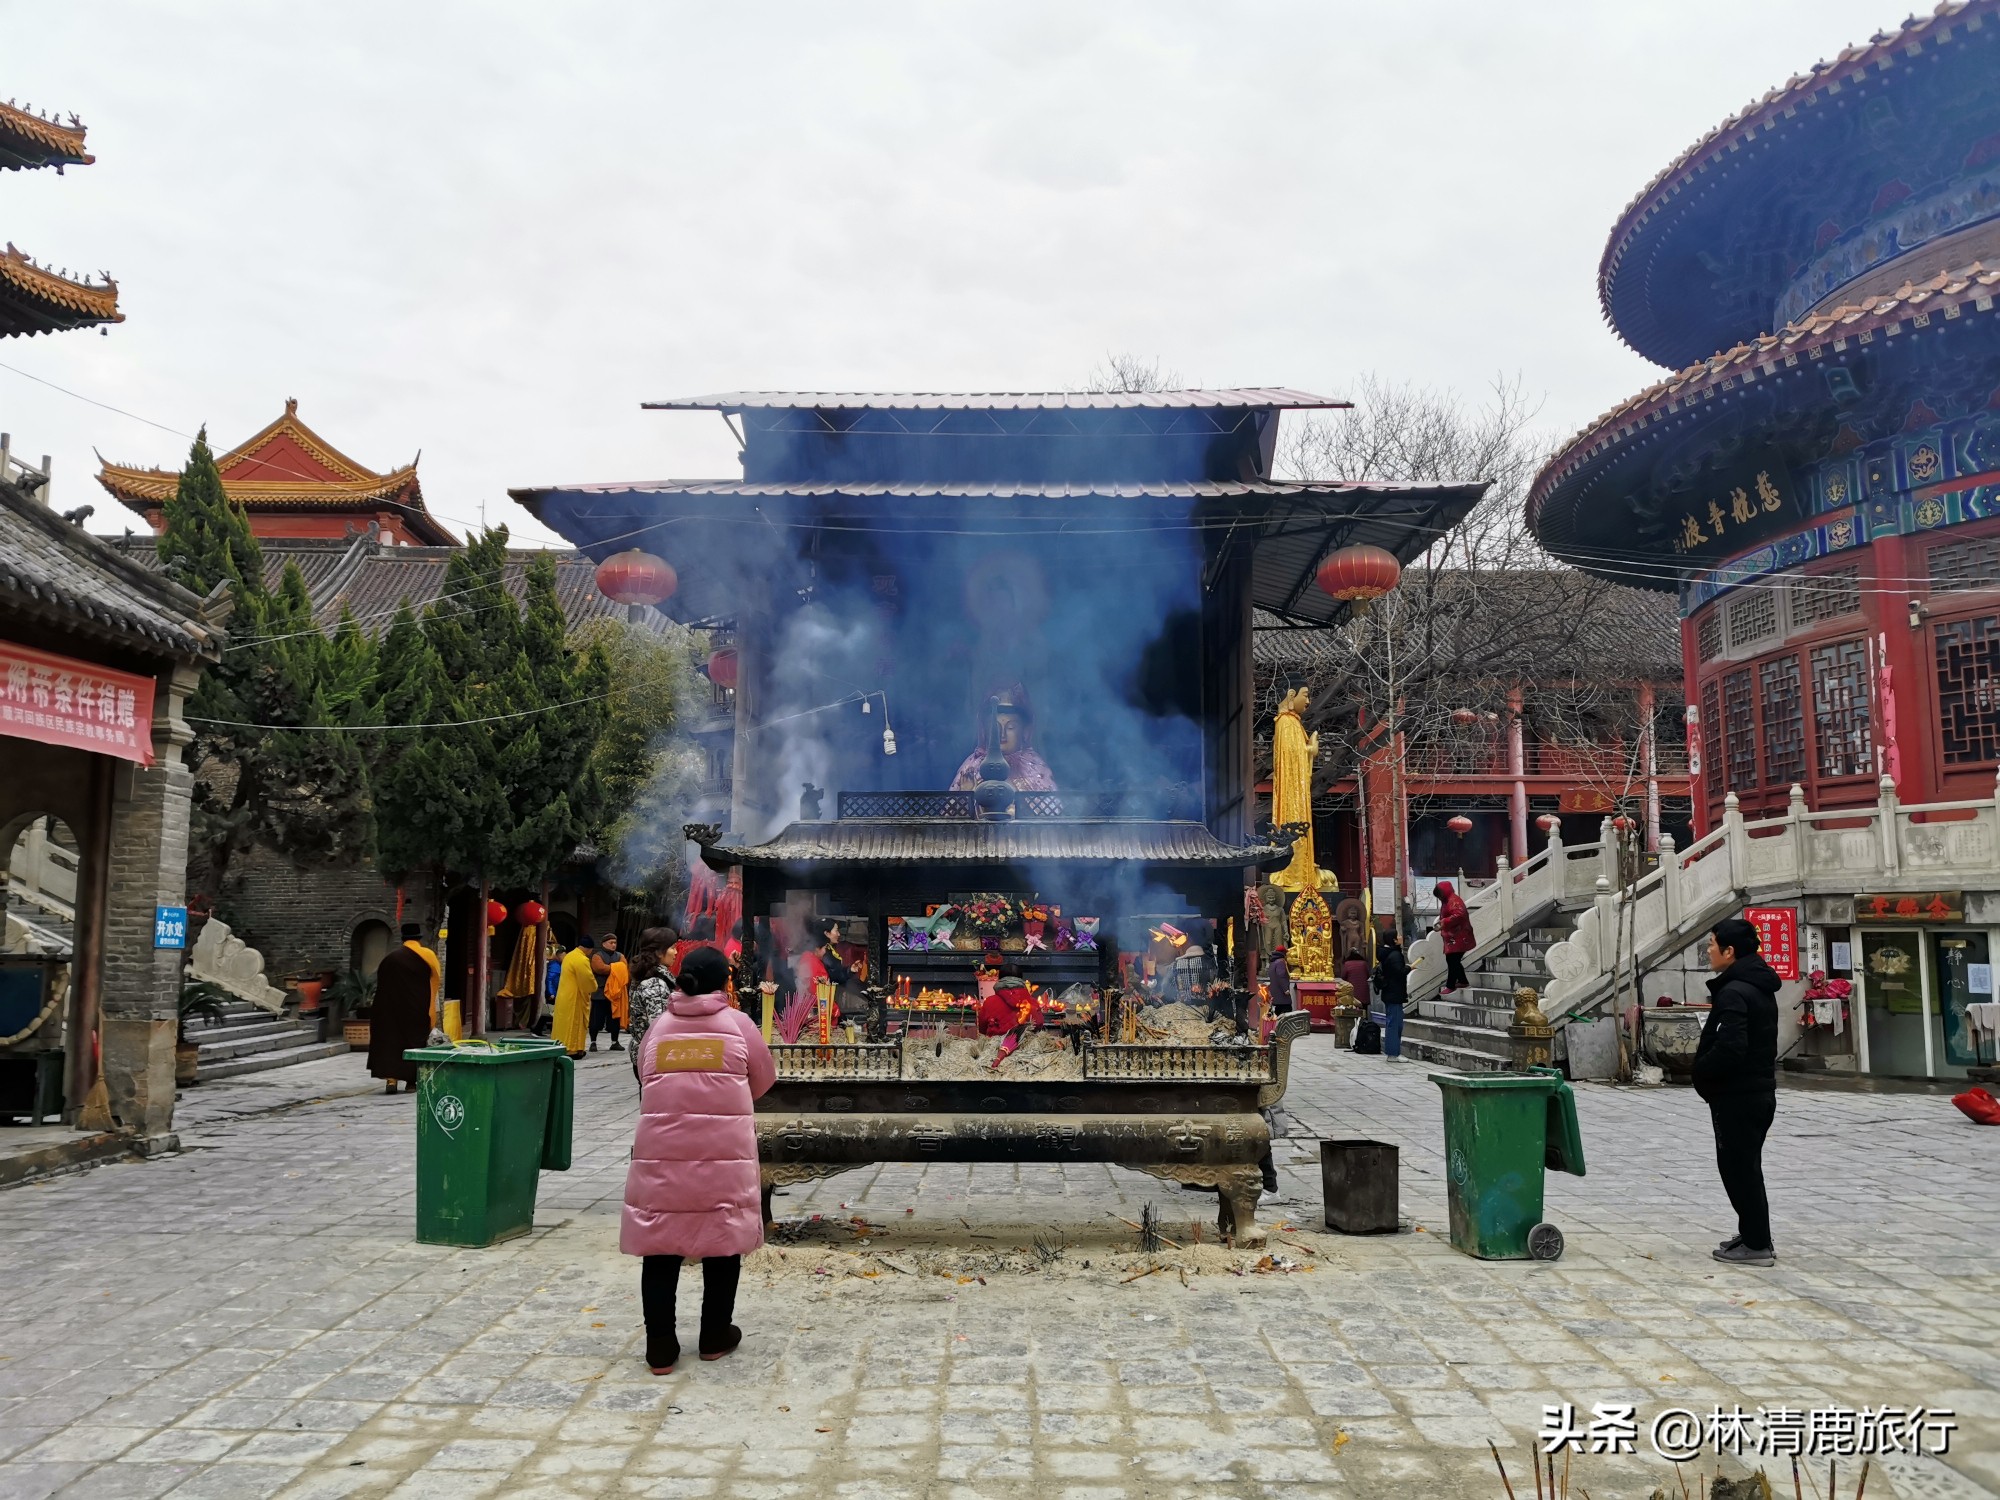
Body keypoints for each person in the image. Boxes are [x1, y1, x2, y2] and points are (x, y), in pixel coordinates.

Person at [623, 946, 777, 1373]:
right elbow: (763, 1081)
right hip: (722, 1155)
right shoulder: (739, 1025)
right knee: (722, 1239)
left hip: (661, 1156)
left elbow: (645, 1074)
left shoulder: (658, 1029)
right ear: (725, 982)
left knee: (659, 1246)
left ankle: (660, 1347)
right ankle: (714, 1335)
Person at [1694, 917, 1781, 1267]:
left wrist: (1701, 1071)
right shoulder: (1754, 985)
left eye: (1713, 945)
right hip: (1755, 1092)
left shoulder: (1734, 991)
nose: (1709, 951)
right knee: (1746, 1167)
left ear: (1730, 951)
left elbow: (1731, 1048)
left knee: (1738, 1169)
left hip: (1739, 1096)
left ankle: (1758, 1244)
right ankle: (1755, 1234)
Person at [367, 924, 434, 1094]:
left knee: (391, 1042)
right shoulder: (428, 956)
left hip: (390, 1009)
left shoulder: (390, 959)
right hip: (417, 1008)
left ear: (403, 939)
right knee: (414, 1043)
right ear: (419, 938)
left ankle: (391, 1079)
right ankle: (412, 1082)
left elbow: (381, 987)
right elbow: (434, 983)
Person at [950, 685, 1057, 792]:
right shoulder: (971, 768)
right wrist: (967, 794)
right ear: (984, 730)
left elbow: (1049, 807)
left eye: (1011, 727)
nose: (1002, 734)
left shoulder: (1035, 768)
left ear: (1024, 731)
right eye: (995, 727)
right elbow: (952, 807)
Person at [626, 927, 677, 1083]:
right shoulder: (656, 983)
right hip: (654, 1057)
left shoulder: (650, 976)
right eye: (672, 948)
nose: (675, 953)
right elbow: (660, 1026)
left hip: (645, 1053)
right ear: (658, 952)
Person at [553, 934, 596, 1059]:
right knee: (574, 1023)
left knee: (563, 1024)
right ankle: (572, 1050)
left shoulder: (570, 956)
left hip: (564, 995)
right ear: (589, 949)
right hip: (574, 997)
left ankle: (561, 1046)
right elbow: (587, 979)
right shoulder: (581, 959)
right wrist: (593, 987)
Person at [1374, 930, 1409, 1062]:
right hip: (1394, 993)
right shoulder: (1395, 955)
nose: (1401, 937)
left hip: (1390, 992)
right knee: (1394, 1024)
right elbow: (1399, 972)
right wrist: (1409, 969)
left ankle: (1393, 1052)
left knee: (1394, 1023)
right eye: (1398, 936)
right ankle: (1393, 1053)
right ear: (1394, 940)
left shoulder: (1387, 953)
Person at [1435, 881, 1474, 993]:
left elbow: (1459, 915)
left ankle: (1450, 985)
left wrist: (1444, 922)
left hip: (1460, 936)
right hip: (1455, 936)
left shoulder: (1454, 901)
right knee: (1453, 960)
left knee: (1452, 960)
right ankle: (1463, 981)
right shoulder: (1447, 900)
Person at [1266, 946, 1292, 1015]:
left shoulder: (1273, 962)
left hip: (1275, 994)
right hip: (1282, 996)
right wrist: (1286, 989)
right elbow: (1281, 976)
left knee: (1275, 1015)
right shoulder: (1280, 962)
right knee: (1286, 1014)